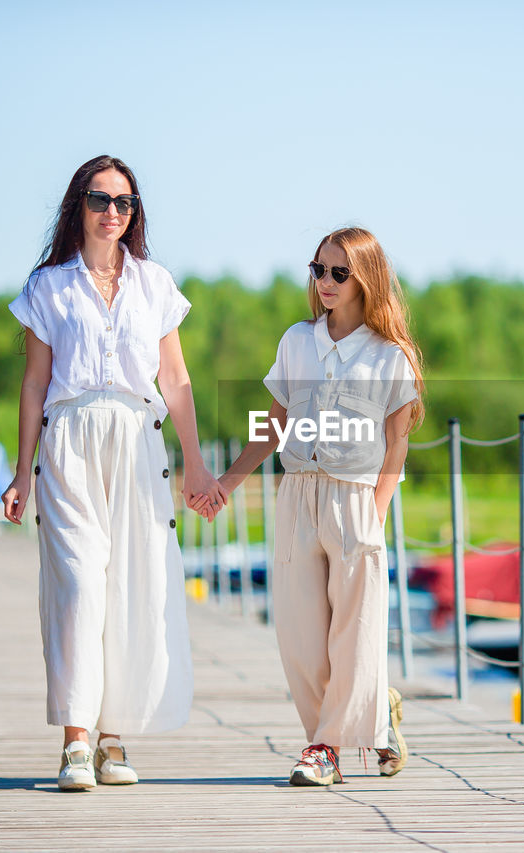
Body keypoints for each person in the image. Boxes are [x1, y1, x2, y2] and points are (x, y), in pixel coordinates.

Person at [1, 155, 226, 791]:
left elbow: (175, 380)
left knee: (131, 585)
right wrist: (23, 472)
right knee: (78, 586)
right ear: (79, 206)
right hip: (68, 440)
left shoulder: (155, 284)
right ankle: (76, 738)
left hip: (137, 441)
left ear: (134, 213)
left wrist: (197, 464)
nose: (111, 213)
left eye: (124, 203)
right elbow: (35, 384)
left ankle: (113, 737)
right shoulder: (48, 287)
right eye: (100, 200)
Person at [211, 226, 424, 786]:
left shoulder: (390, 357)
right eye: (318, 270)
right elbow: (272, 423)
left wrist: (374, 515)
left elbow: (396, 444)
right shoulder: (296, 342)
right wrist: (228, 483)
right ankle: (377, 712)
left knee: (353, 634)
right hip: (297, 495)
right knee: (301, 637)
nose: (325, 282)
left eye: (338, 273)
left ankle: (323, 750)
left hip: (355, 499)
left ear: (366, 280)